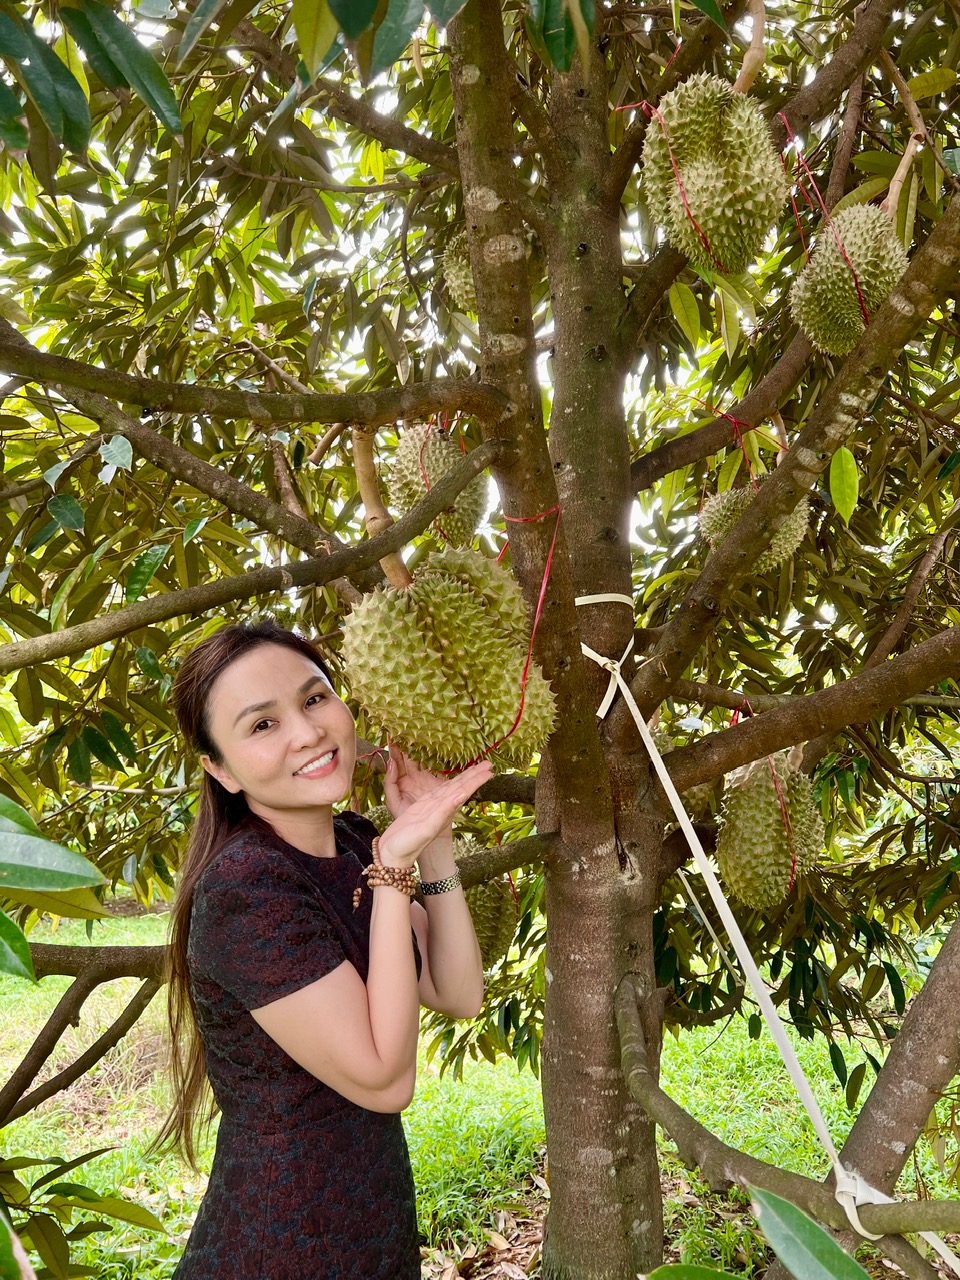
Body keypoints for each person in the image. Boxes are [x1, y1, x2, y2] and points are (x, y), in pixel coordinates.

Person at [150, 619, 491, 1279]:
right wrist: (395, 869)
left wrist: (433, 838)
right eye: (261, 725)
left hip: (369, 1221)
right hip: (282, 1241)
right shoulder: (247, 890)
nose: (307, 733)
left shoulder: (354, 842)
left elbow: (458, 992)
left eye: (313, 698)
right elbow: (385, 1079)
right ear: (217, 767)